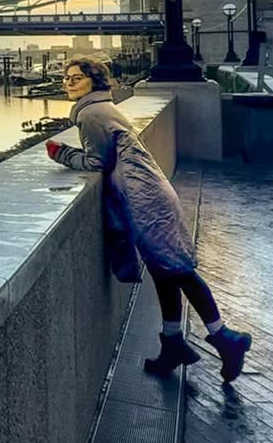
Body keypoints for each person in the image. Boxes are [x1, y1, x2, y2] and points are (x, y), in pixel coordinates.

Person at [45, 55, 251, 382]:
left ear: (94, 82)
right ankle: (172, 343)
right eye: (66, 77)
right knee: (164, 271)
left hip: (145, 200)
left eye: (77, 77)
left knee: (179, 270)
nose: (68, 82)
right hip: (149, 194)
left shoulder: (90, 113)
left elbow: (98, 162)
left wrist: (62, 153)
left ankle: (226, 338)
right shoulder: (103, 108)